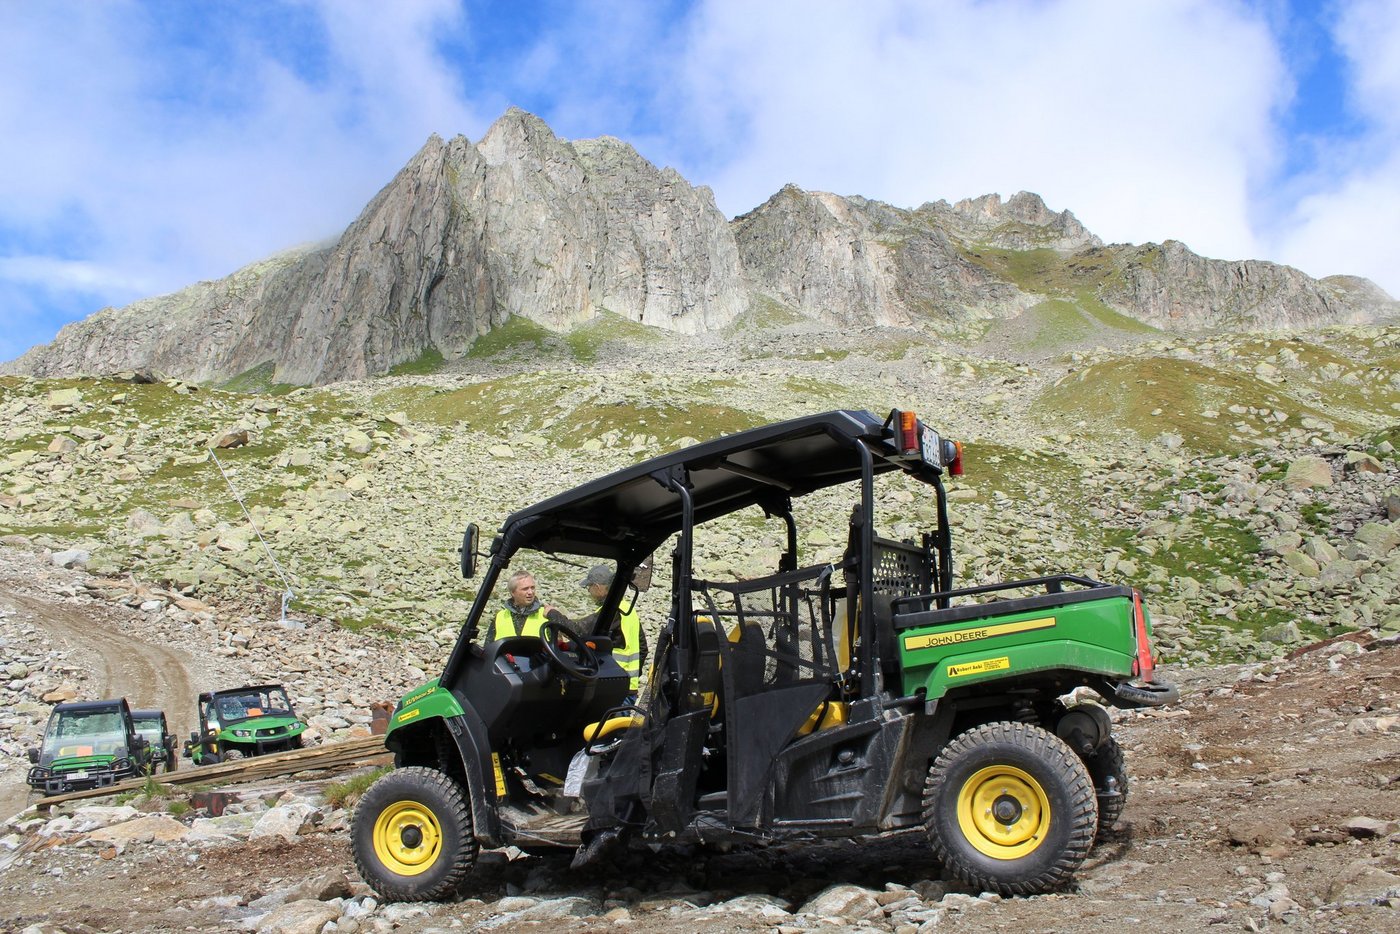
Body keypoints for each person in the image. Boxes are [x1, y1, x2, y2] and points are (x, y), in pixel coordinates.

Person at [579, 565, 646, 696]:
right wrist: (632, 677)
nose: (589, 592)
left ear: (597, 587)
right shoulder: (627, 609)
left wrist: (553, 614)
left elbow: (579, 630)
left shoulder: (611, 612)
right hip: (627, 687)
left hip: (613, 687)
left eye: (589, 587)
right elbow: (643, 648)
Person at [488, 570, 566, 641]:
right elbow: (489, 650)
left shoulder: (546, 614)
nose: (530, 592)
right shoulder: (500, 617)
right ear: (512, 592)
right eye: (525, 589)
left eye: (532, 588)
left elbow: (557, 647)